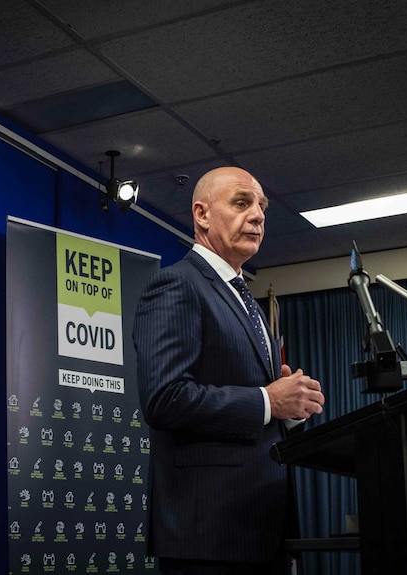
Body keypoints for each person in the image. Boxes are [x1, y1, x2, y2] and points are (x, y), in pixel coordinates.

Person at [132, 166, 326, 575]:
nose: (257, 215)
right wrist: (268, 401)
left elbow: (262, 415)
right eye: (242, 203)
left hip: (263, 526)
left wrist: (290, 412)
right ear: (201, 214)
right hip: (209, 534)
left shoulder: (249, 303)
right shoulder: (177, 285)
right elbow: (165, 399)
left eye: (261, 207)